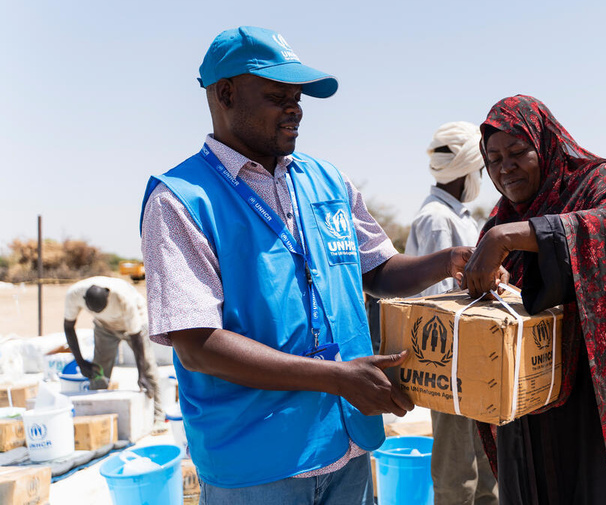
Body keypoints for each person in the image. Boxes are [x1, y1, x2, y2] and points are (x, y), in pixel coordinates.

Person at [140, 27, 477, 504]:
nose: (295, 109)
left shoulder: (327, 180)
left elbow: (377, 272)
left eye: (298, 97)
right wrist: (338, 377)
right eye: (278, 95)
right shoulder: (180, 200)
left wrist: (448, 261)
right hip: (256, 464)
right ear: (226, 94)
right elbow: (197, 345)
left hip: (347, 444)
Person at [461, 95, 606, 505]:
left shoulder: (595, 183)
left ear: (547, 144)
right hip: (538, 413)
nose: (506, 167)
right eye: (494, 159)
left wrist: (517, 237)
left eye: (518, 152)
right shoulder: (499, 220)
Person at [404, 121, 498, 505]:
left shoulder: (461, 216)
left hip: (473, 361)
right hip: (449, 361)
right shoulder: (436, 219)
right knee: (457, 475)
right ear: (466, 172)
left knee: (486, 469)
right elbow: (442, 298)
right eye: (478, 171)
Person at [63, 276, 164, 429]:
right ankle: (96, 417)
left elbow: (136, 337)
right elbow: (68, 327)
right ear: (84, 300)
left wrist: (141, 373)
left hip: (135, 322)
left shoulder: (124, 298)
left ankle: (158, 417)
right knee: (99, 371)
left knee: (148, 369)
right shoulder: (74, 294)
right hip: (104, 327)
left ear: (108, 296)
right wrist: (81, 362)